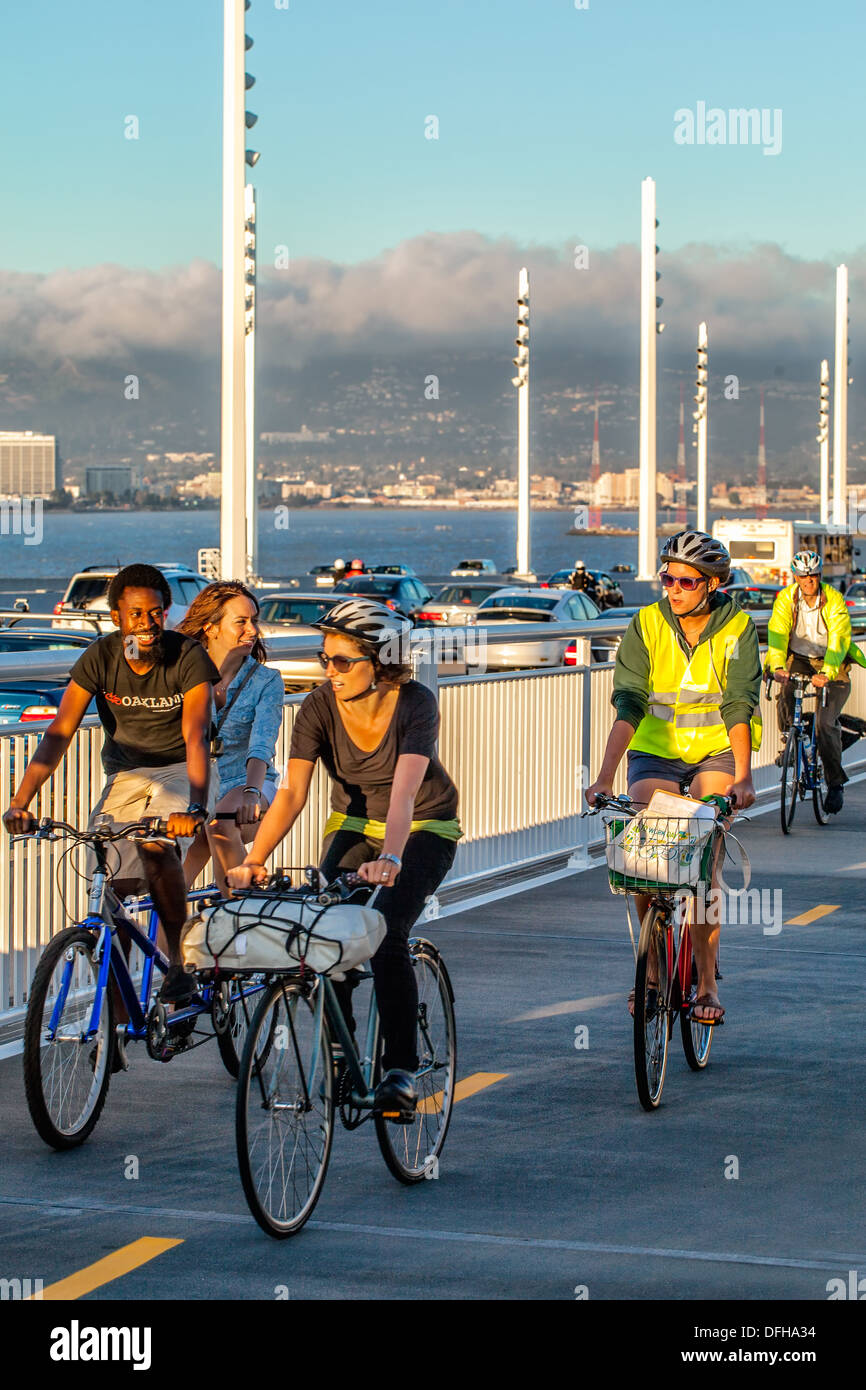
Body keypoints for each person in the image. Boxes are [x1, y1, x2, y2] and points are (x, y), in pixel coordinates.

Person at [226, 597, 461, 1116]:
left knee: (384, 930)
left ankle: (399, 1067)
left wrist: (392, 860)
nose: (328, 671)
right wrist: (254, 858)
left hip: (423, 824)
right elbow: (291, 794)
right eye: (324, 658)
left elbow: (403, 796)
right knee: (325, 929)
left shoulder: (415, 703)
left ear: (382, 661)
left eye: (342, 661)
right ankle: (340, 1046)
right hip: (353, 824)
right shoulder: (316, 706)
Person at [2, 563, 218, 1058]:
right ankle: (117, 1025)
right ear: (117, 615)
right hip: (125, 776)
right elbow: (59, 732)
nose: (146, 621)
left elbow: (196, 735)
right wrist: (21, 802)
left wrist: (197, 805)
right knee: (111, 890)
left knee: (156, 845)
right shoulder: (98, 658)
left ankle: (180, 967)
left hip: (180, 770)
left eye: (156, 611)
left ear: (167, 612)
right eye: (135, 612)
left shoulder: (188, 657)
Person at [584, 531, 762, 1025]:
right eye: (667, 577)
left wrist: (743, 778)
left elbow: (738, 703)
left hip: (716, 753)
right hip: (656, 752)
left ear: (711, 584)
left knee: (703, 859)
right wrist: (603, 776)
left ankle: (706, 985)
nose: (673, 587)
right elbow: (630, 703)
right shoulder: (646, 624)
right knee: (644, 847)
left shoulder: (737, 629)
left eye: (685, 580)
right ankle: (654, 966)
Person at [177, 581, 285, 894]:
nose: (252, 630)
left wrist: (252, 790)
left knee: (220, 822)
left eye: (254, 621)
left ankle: (241, 910)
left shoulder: (267, 681)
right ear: (210, 628)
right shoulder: (184, 675)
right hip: (197, 787)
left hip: (248, 782)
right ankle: (165, 942)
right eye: (241, 622)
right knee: (174, 887)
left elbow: (261, 745)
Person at [764, 550, 866, 813]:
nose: (809, 580)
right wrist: (776, 666)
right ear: (795, 577)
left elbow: (839, 640)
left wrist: (829, 672)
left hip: (833, 660)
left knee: (825, 723)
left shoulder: (833, 599)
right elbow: (777, 636)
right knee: (786, 687)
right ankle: (790, 737)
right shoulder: (786, 599)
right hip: (799, 657)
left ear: (819, 576)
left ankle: (835, 784)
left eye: (813, 576)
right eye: (803, 576)